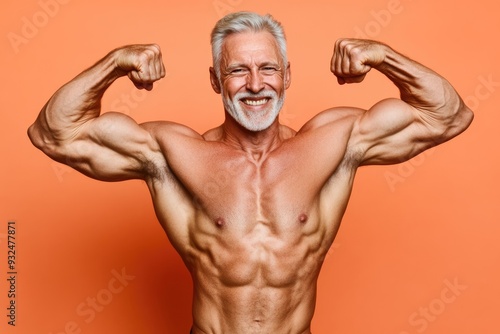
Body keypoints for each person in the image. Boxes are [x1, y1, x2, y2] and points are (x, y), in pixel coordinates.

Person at [28, 11, 473, 334]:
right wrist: (115, 62)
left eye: (268, 69)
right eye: (238, 70)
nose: (256, 84)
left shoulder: (335, 144)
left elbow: (447, 116)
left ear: (287, 76)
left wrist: (382, 55)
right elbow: (54, 134)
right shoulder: (171, 154)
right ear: (215, 80)